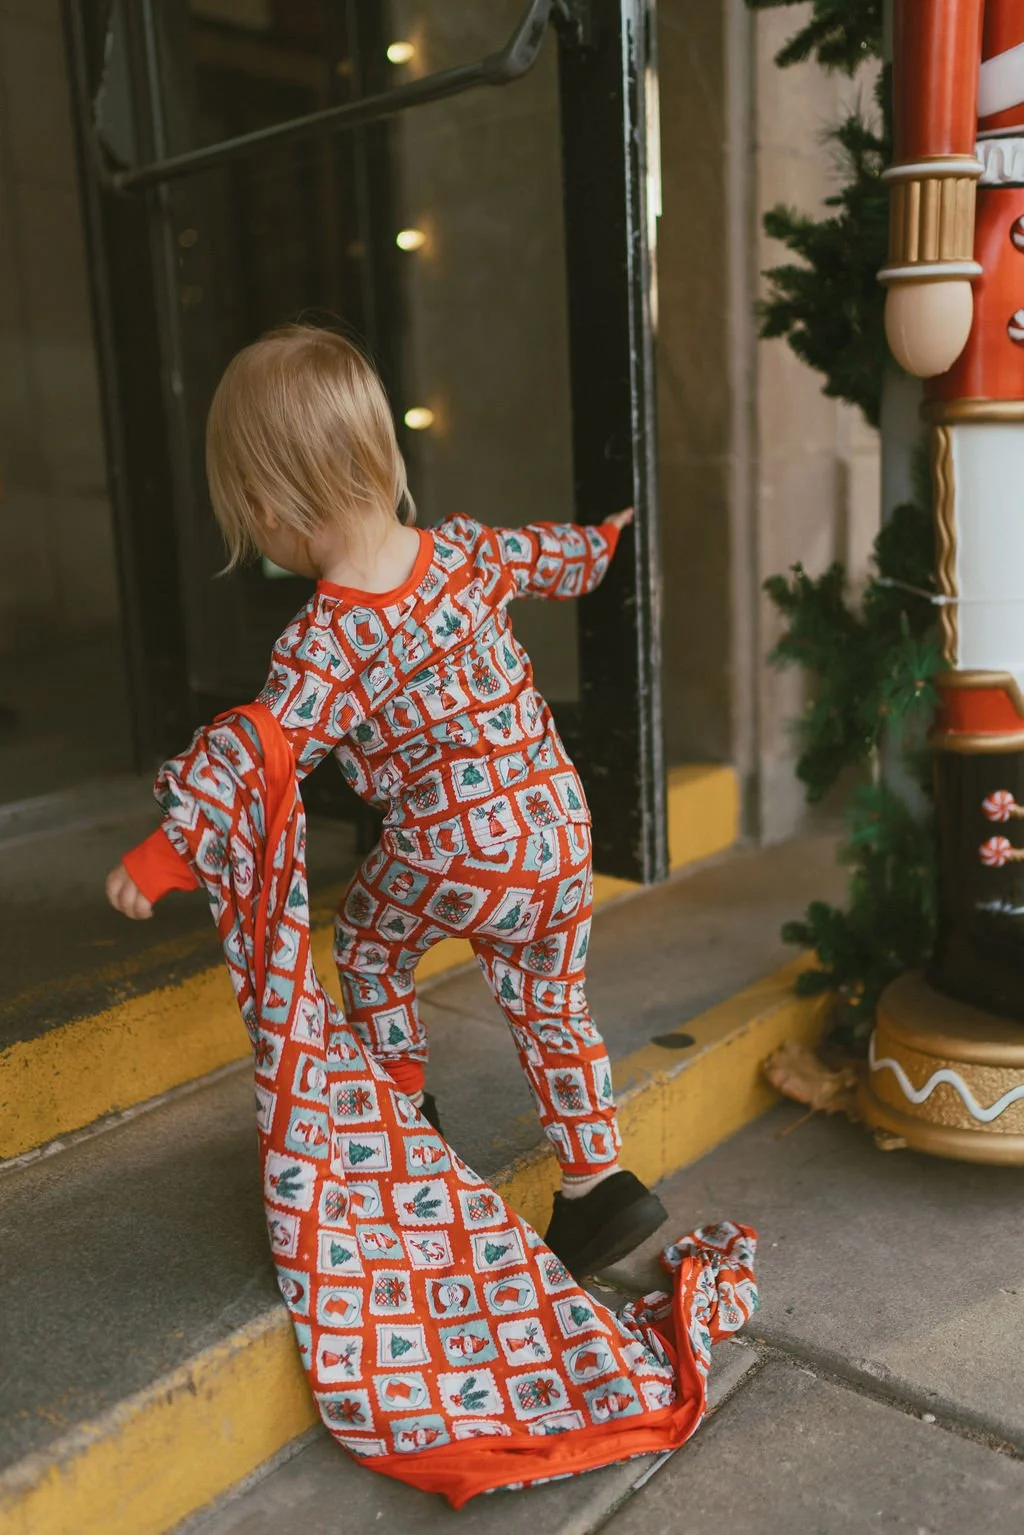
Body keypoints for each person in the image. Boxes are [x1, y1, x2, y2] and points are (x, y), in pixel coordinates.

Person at [105, 323, 666, 1276]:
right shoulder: (464, 552)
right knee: (551, 1004)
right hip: (559, 828)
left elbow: (261, 753)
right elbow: (551, 555)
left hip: (458, 846)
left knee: (367, 942)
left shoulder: (329, 638)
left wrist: (164, 856)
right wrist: (605, 542)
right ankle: (596, 1185)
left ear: (267, 506)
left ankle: (406, 1129)